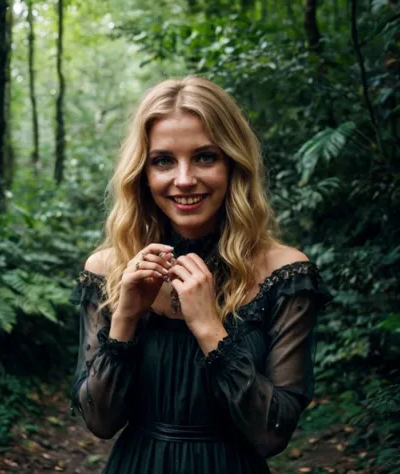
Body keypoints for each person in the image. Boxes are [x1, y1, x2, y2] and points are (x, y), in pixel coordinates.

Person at [69, 76, 332, 473]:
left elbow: (272, 433)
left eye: (205, 157)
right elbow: (100, 422)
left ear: (233, 164)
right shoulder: (106, 268)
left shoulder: (283, 273)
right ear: (142, 172)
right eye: (163, 161)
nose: (184, 178)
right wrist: (124, 317)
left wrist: (210, 328)